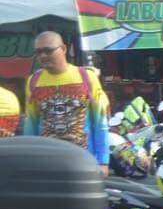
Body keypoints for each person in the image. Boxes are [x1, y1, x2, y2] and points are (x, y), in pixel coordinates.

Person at [22, 31, 109, 168]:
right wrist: (28, 161)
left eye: (48, 51)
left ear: (63, 49)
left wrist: (103, 161)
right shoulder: (33, 81)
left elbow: (100, 122)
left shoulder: (87, 77)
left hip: (82, 160)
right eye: (38, 52)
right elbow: (30, 124)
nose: (43, 56)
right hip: (46, 162)